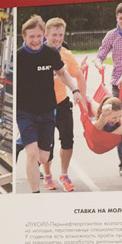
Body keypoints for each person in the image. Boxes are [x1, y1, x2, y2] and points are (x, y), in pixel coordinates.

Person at [16, 15, 84, 193]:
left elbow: (63, 73)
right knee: (32, 153)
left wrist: (75, 91)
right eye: (31, 36)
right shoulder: (18, 57)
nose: (35, 40)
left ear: (42, 36)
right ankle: (36, 193)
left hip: (47, 110)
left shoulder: (51, 53)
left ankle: (29, 143)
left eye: (38, 36)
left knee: (44, 157)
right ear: (24, 36)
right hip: (25, 111)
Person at [46, 17, 83, 190]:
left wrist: (81, 96)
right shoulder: (39, 53)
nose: (58, 39)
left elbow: (79, 76)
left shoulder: (67, 55)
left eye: (61, 35)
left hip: (62, 103)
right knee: (46, 144)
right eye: (54, 35)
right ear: (46, 35)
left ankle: (64, 174)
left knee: (68, 140)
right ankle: (47, 175)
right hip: (43, 106)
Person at [93, 94, 122, 165]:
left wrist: (109, 136)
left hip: (113, 132)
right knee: (93, 105)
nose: (117, 120)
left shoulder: (119, 114)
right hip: (102, 120)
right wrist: (103, 116)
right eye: (114, 118)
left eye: (119, 116)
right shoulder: (100, 118)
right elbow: (96, 129)